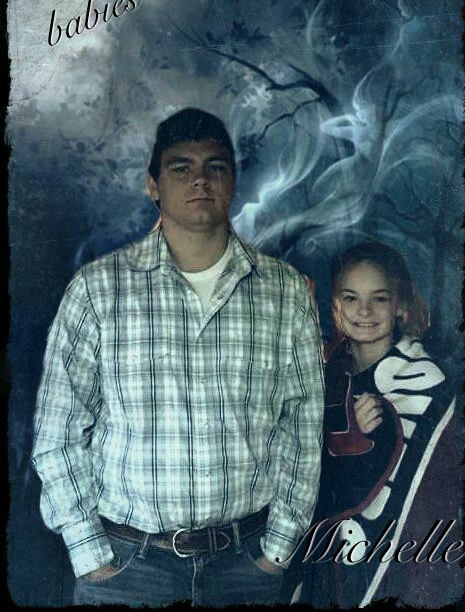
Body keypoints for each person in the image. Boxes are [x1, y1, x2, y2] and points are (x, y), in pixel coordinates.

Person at [31, 108, 325, 607]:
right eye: (181, 166)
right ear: (153, 184)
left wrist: (277, 551)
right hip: (126, 569)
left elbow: (303, 426)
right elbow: (58, 432)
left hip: (246, 567)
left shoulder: (285, 291)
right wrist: (89, 554)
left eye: (215, 166)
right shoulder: (98, 290)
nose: (200, 180)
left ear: (233, 182)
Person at [288, 240, 455, 608]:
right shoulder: (323, 372)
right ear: (334, 305)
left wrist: (374, 438)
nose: (364, 310)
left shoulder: (427, 382)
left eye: (379, 298)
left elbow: (429, 498)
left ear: (400, 306)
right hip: (324, 556)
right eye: (350, 298)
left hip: (402, 560)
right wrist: (348, 435)